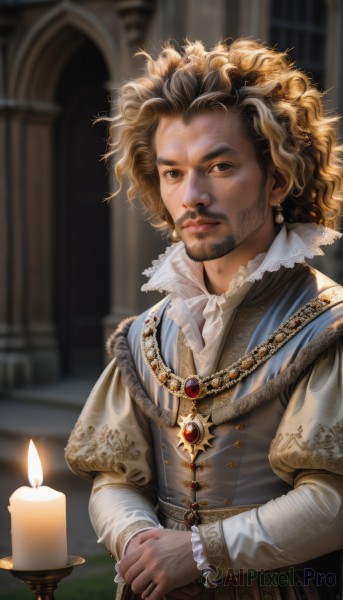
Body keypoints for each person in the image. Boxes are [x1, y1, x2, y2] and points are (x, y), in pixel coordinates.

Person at [65, 38, 343, 600]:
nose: (191, 196)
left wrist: (198, 553)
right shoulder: (148, 335)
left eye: (219, 166)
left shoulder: (329, 326)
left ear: (278, 179)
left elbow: (332, 500)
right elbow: (115, 477)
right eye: (172, 172)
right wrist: (142, 541)